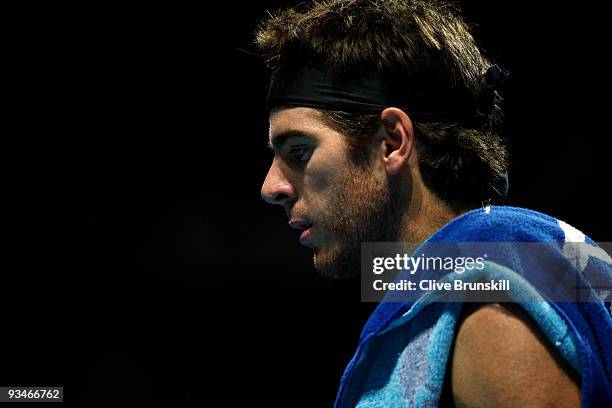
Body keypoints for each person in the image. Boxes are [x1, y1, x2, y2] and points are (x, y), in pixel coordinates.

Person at [255, 1, 612, 406]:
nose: (272, 186)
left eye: (299, 151)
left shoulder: (490, 315)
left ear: (392, 142)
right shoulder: (535, 263)